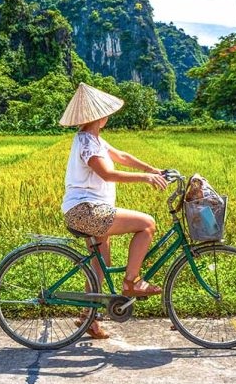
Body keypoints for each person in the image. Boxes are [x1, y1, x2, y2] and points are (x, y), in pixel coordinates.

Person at [59, 82, 168, 339]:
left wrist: (151, 169)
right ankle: (132, 281)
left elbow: (123, 156)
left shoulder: (94, 139)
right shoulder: (87, 142)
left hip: (89, 210)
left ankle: (89, 319)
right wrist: (144, 179)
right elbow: (107, 173)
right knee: (147, 224)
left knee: (100, 266)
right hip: (86, 212)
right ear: (99, 116)